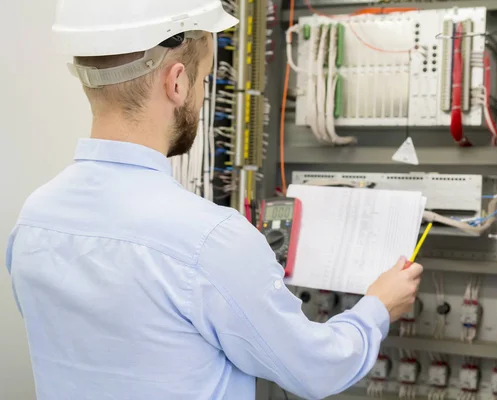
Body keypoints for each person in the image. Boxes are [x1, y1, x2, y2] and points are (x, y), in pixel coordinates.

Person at [5, 0, 424, 399]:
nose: (202, 94)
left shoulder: (34, 219)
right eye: (204, 79)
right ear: (176, 82)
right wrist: (377, 307)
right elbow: (316, 369)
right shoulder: (209, 239)